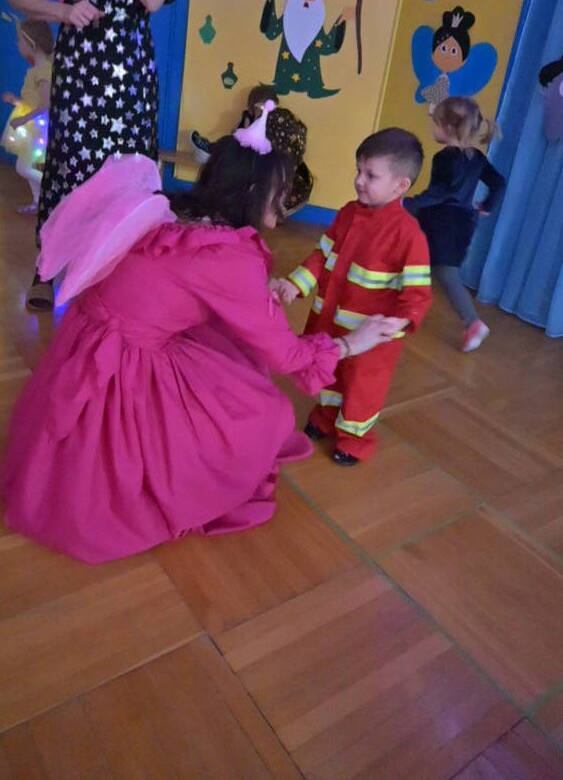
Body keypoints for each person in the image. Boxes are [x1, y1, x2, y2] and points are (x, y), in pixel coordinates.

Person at [1, 113, 401, 564]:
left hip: (88, 342)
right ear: (254, 192)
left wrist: (256, 301)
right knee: (262, 412)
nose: (285, 204)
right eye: (280, 193)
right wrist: (351, 343)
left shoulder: (169, 211)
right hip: (124, 363)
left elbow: (181, 290)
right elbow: (287, 355)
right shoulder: (227, 257)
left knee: (229, 363)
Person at [6, 0, 178, 311]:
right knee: (68, 169)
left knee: (129, 174)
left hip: (133, 81)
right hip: (80, 76)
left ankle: (119, 270)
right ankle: (48, 267)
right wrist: (61, 11)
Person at [273, 128, 432, 466]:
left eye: (371, 175)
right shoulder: (347, 212)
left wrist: (398, 323)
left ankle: (354, 440)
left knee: (361, 388)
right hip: (329, 321)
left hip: (371, 338)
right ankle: (324, 418)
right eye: (358, 170)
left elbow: (418, 294)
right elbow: (322, 254)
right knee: (329, 372)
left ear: (400, 185)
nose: (359, 180)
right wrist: (296, 284)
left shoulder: (409, 236)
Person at [404, 96, 505, 353]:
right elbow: (498, 182)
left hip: (442, 222)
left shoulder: (445, 157)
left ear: (448, 128)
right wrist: (487, 205)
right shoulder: (477, 157)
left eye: (435, 123)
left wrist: (409, 203)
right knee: (423, 262)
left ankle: (473, 322)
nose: (433, 128)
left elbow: (441, 191)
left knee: (445, 272)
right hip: (463, 223)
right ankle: (404, 306)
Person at [190, 84, 314, 212]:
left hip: (276, 183)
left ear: (257, 106)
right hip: (299, 185)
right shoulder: (288, 118)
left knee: (232, 145)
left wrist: (246, 124)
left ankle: (210, 149)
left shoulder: (268, 118)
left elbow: (243, 142)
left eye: (252, 110)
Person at [1, 19, 53, 213]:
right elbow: (32, 101)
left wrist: (22, 120)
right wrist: (15, 100)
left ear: (32, 44)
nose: (18, 44)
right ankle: (38, 202)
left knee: (23, 167)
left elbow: (45, 105)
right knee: (27, 164)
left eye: (20, 40)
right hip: (30, 126)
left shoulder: (44, 71)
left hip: (36, 127)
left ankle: (54, 190)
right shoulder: (37, 70)